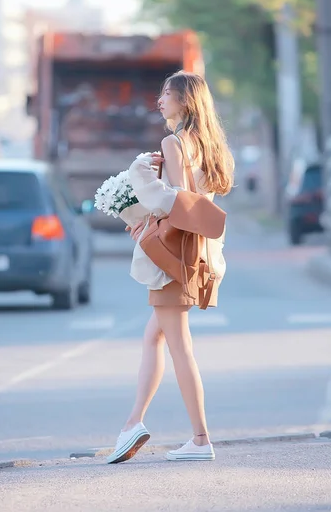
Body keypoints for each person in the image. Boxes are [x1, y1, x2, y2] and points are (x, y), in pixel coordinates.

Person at [106, 71, 234, 464]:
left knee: (180, 347)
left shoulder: (173, 141)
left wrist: (139, 175)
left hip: (173, 260)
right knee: (154, 339)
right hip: (198, 254)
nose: (160, 100)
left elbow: (179, 201)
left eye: (167, 93)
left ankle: (199, 438)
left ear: (186, 101)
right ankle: (133, 423)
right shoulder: (211, 144)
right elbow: (199, 201)